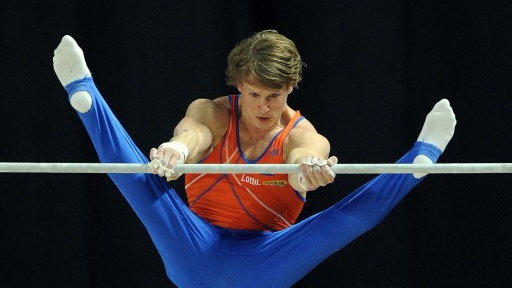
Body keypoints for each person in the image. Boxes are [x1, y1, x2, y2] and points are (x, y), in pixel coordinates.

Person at [53, 31, 456, 288]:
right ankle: (85, 95)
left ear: (292, 87)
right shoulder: (214, 112)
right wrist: (177, 151)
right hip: (195, 244)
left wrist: (306, 174)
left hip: (266, 259)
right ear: (238, 86)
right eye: (253, 94)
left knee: (350, 219)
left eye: (274, 96)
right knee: (139, 180)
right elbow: (194, 133)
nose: (263, 107)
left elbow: (305, 154)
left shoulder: (302, 134)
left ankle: (419, 159)